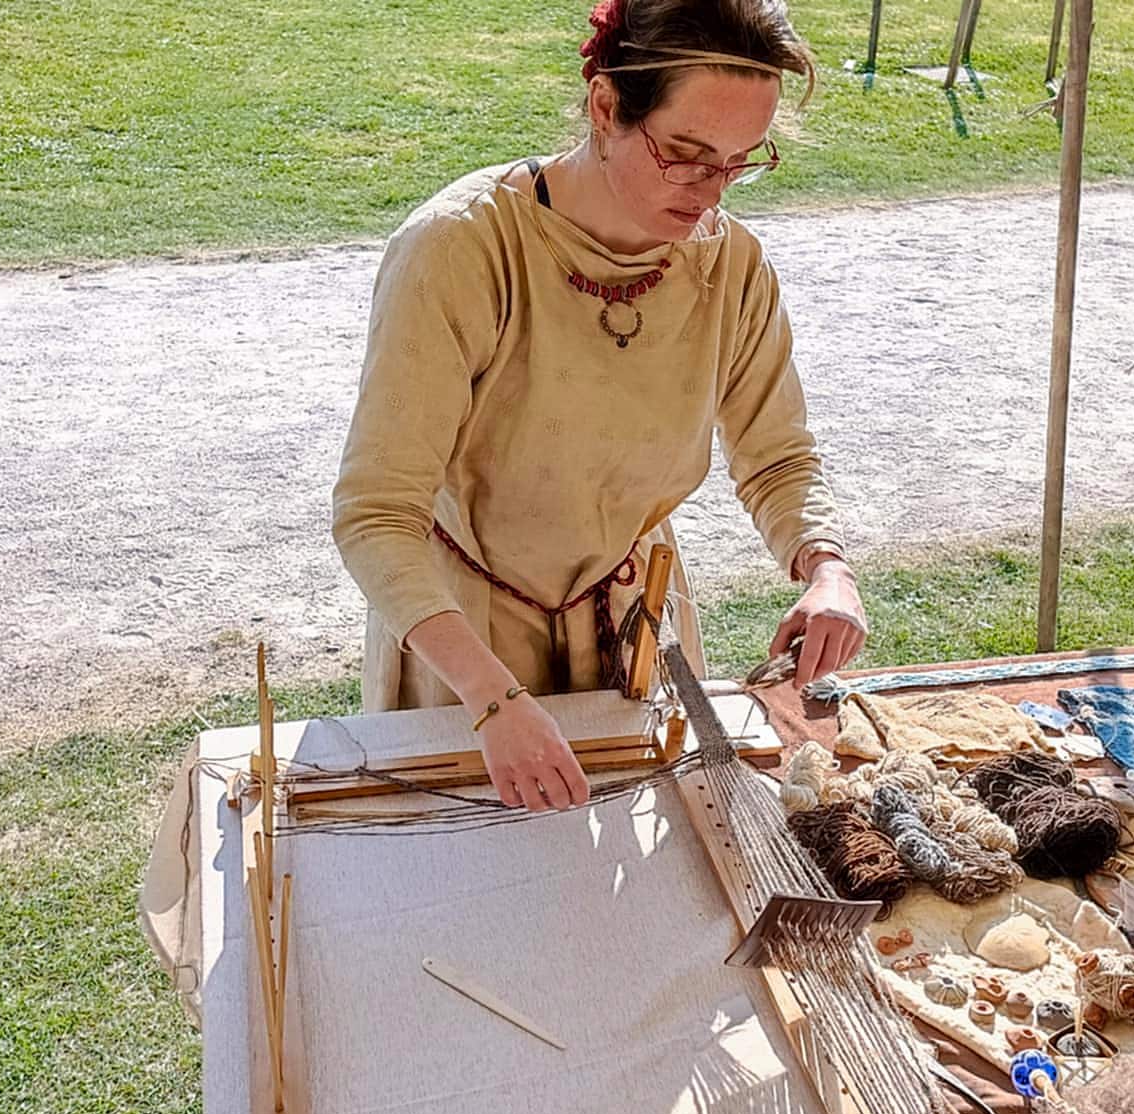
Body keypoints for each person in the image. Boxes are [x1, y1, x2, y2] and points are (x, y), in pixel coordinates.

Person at [331, 0, 866, 813]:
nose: (712, 193)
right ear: (608, 107)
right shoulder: (460, 249)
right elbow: (376, 515)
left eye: (740, 162)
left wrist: (825, 567)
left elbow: (779, 455)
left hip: (634, 619)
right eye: (686, 156)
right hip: (467, 637)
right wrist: (492, 698)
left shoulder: (733, 267)